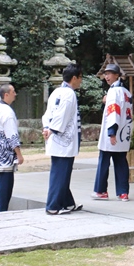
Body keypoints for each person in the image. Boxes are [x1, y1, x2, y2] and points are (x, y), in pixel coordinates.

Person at [43, 63, 83, 215]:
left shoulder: (56, 92)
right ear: (74, 78)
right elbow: (62, 115)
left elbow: (48, 113)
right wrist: (52, 129)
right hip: (63, 140)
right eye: (80, 78)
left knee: (62, 173)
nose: (81, 81)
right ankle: (53, 206)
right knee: (60, 173)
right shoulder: (69, 94)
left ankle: (68, 203)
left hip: (55, 136)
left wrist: (47, 128)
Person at [92, 63, 134, 202]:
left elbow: (113, 112)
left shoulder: (113, 92)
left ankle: (101, 190)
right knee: (121, 161)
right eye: (105, 74)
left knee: (104, 160)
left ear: (117, 75)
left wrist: (112, 132)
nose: (106, 76)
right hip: (124, 131)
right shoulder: (127, 92)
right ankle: (123, 192)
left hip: (113, 131)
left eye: (109, 73)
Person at [0, 84, 24, 213]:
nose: (15, 94)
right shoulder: (7, 111)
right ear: (6, 94)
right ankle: (1, 209)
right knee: (5, 181)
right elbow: (11, 133)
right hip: (4, 150)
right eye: (13, 91)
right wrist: (18, 153)